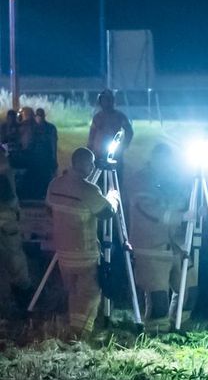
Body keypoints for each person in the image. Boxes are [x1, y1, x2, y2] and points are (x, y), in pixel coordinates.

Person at [46, 147, 120, 339]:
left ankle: (72, 325)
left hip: (62, 252)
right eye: (91, 163)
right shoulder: (89, 189)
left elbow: (49, 208)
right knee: (89, 293)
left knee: (72, 290)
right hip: (84, 253)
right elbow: (107, 213)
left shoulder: (55, 184)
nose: (94, 166)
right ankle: (81, 332)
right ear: (84, 164)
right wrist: (113, 197)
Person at [128, 144, 189, 332]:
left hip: (175, 246)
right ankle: (156, 336)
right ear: (154, 159)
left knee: (188, 293)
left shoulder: (173, 180)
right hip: (149, 247)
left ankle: (177, 328)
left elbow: (181, 202)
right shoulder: (140, 180)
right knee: (158, 301)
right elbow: (151, 210)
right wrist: (183, 216)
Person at [0, 145, 32, 311]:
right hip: (7, 213)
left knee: (14, 255)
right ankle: (22, 294)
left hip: (5, 212)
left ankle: (22, 295)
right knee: (13, 255)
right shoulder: (3, 158)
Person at [88, 89, 134, 180]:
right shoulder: (97, 117)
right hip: (98, 154)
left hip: (115, 154)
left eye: (108, 100)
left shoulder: (120, 116)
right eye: (104, 100)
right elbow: (92, 135)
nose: (106, 102)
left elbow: (129, 131)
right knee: (99, 180)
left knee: (116, 178)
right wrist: (89, 150)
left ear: (112, 101)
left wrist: (123, 146)